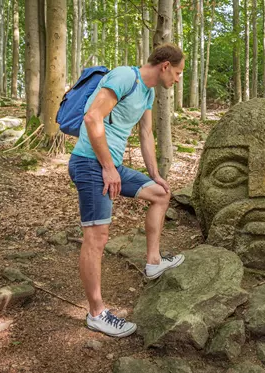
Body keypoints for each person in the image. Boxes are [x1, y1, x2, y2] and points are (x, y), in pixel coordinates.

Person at [68, 43, 186, 337]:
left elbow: (146, 134)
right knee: (97, 236)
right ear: (165, 66)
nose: (178, 78)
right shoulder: (124, 77)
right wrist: (108, 167)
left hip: (111, 165)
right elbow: (93, 117)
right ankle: (96, 313)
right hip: (90, 162)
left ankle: (154, 262)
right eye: (179, 72)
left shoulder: (147, 92)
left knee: (160, 195)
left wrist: (156, 175)